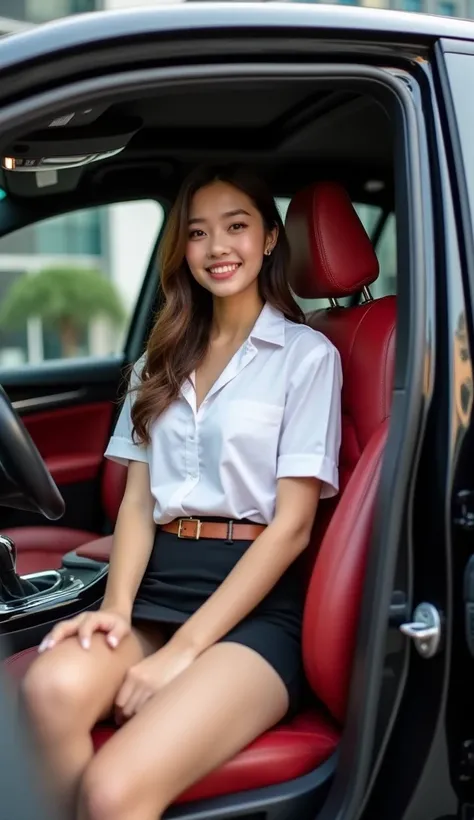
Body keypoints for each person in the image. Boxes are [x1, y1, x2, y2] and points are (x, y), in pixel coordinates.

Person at [21, 165, 342, 820]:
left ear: (272, 238)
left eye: (237, 227)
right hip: (158, 588)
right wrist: (115, 607)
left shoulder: (307, 356)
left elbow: (293, 528)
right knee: (46, 689)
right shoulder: (158, 361)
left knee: (111, 793)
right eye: (198, 233)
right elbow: (138, 504)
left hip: (254, 610)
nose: (218, 247)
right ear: (183, 250)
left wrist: (186, 654)